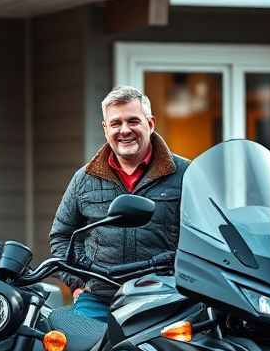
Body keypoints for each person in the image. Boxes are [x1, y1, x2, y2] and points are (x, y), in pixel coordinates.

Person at [49, 85, 189, 321]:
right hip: (99, 298)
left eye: (133, 121)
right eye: (116, 123)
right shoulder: (84, 179)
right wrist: (79, 283)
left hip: (164, 298)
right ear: (106, 129)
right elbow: (61, 237)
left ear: (150, 124)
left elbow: (204, 238)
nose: (124, 130)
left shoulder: (185, 174)